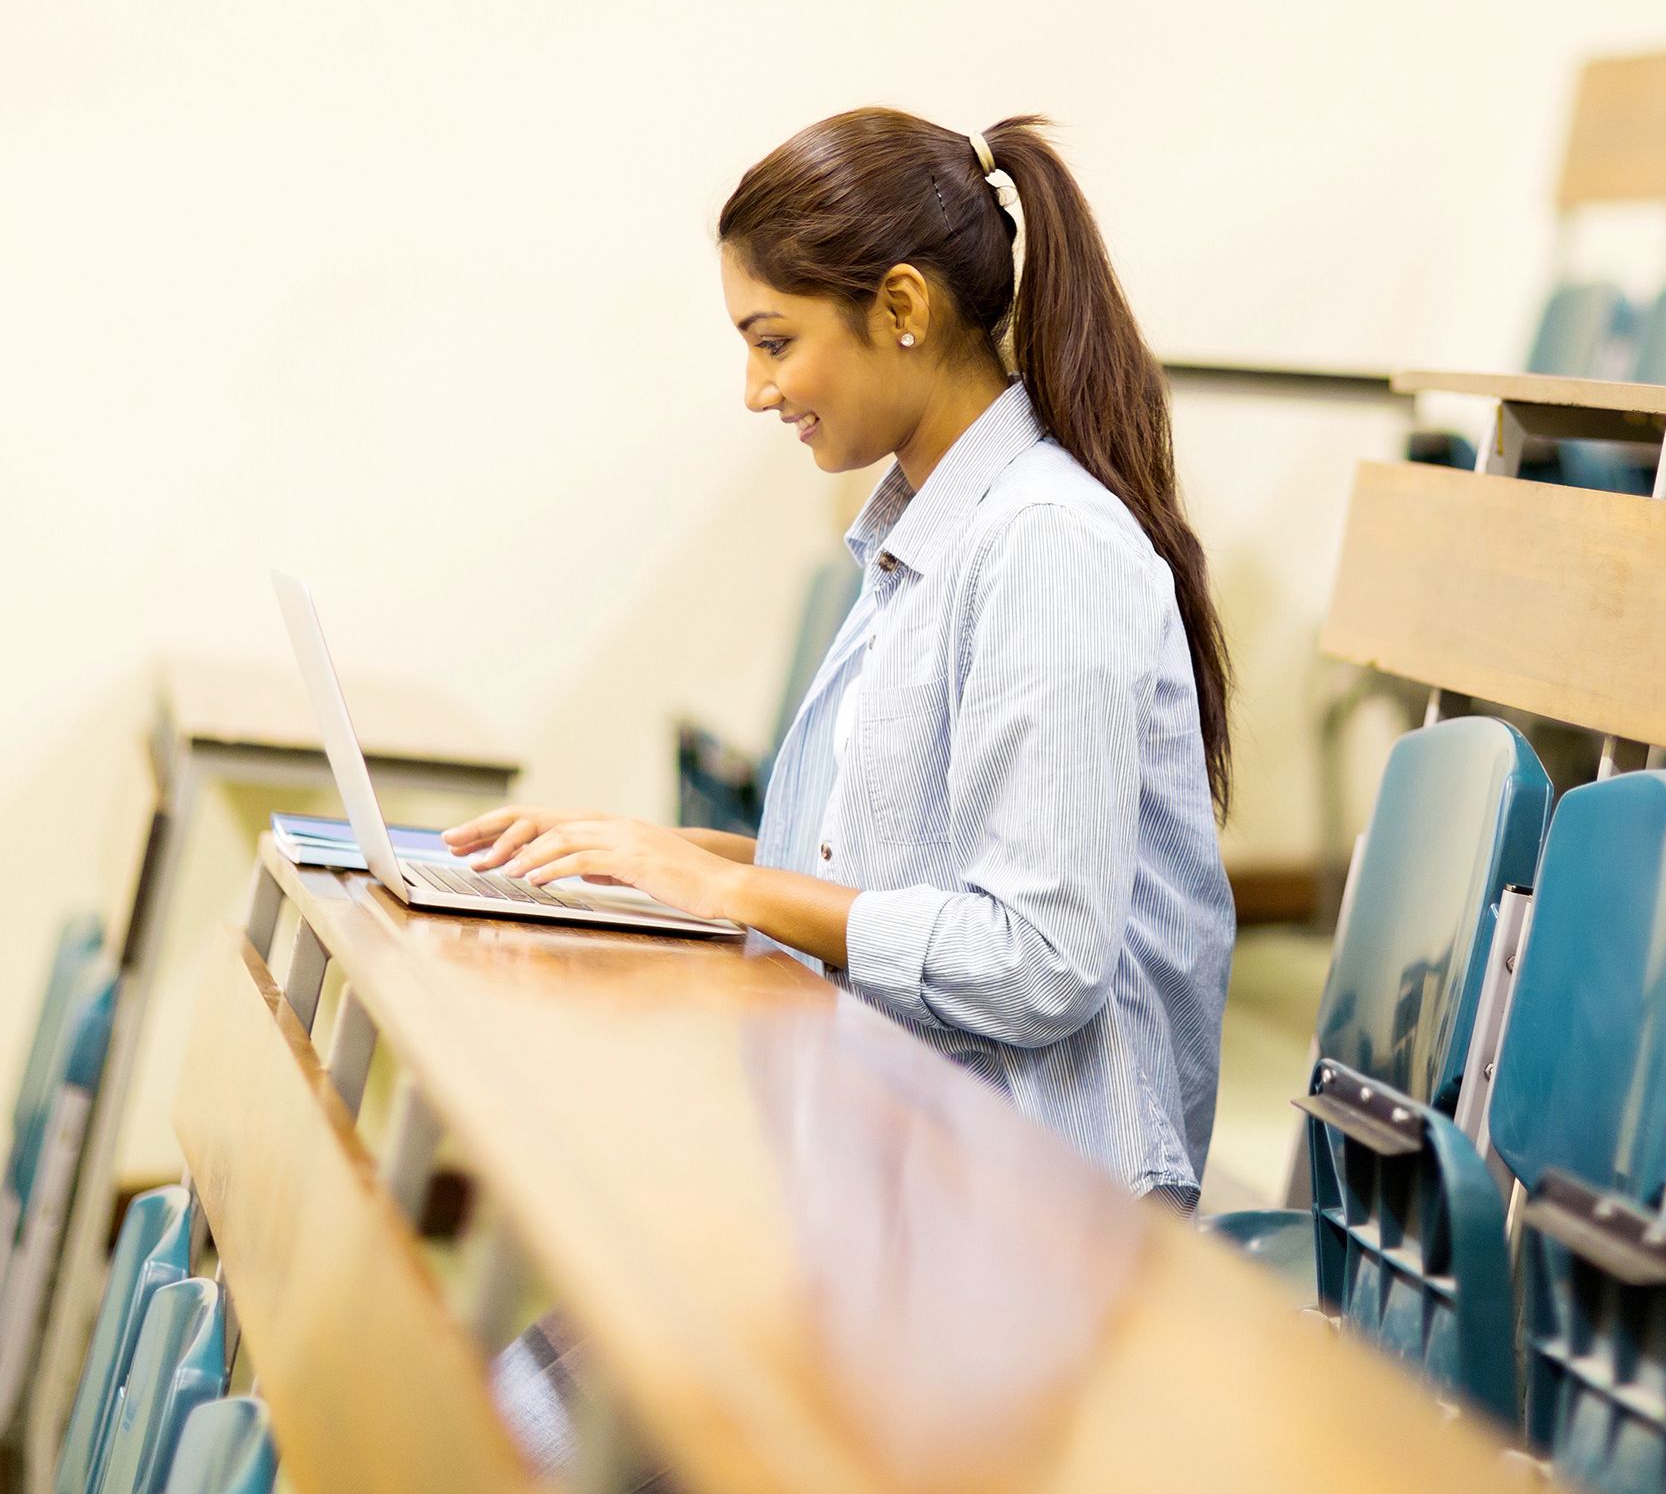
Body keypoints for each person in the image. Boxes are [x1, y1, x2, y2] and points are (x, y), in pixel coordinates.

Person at [447, 109, 1234, 1207]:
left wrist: (729, 884)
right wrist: (636, 855)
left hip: (1032, 1197)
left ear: (901, 306)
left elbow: (1038, 955)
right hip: (903, 1144)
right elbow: (882, 862)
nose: (755, 389)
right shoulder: (927, 531)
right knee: (569, 1337)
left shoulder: (1046, 543)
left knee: (577, 1353)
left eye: (773, 340)